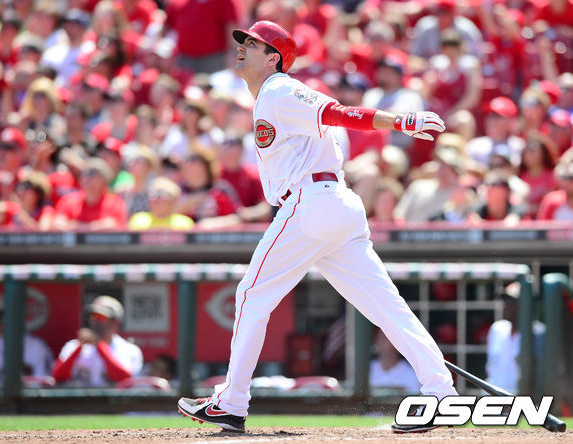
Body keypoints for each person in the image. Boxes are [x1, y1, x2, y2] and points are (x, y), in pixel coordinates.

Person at [177, 20, 457, 435]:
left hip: (312, 202)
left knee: (251, 295)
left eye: (253, 43)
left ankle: (231, 403)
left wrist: (398, 121)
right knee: (386, 306)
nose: (242, 47)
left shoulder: (280, 89)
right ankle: (441, 393)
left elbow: (337, 113)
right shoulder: (269, 96)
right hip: (333, 205)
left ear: (273, 58)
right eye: (244, 41)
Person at [52, 295, 143, 387]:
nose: (95, 320)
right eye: (93, 315)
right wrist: (79, 348)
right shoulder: (73, 346)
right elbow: (57, 376)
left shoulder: (128, 349)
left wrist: (99, 345)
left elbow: (125, 379)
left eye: (101, 316)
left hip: (113, 396)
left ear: (115, 322)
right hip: (81, 396)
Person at [486, 282, 545, 393]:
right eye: (506, 301)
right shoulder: (497, 329)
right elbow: (491, 369)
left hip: (523, 401)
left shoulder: (539, 334)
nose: (506, 306)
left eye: (512, 302)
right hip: (494, 399)